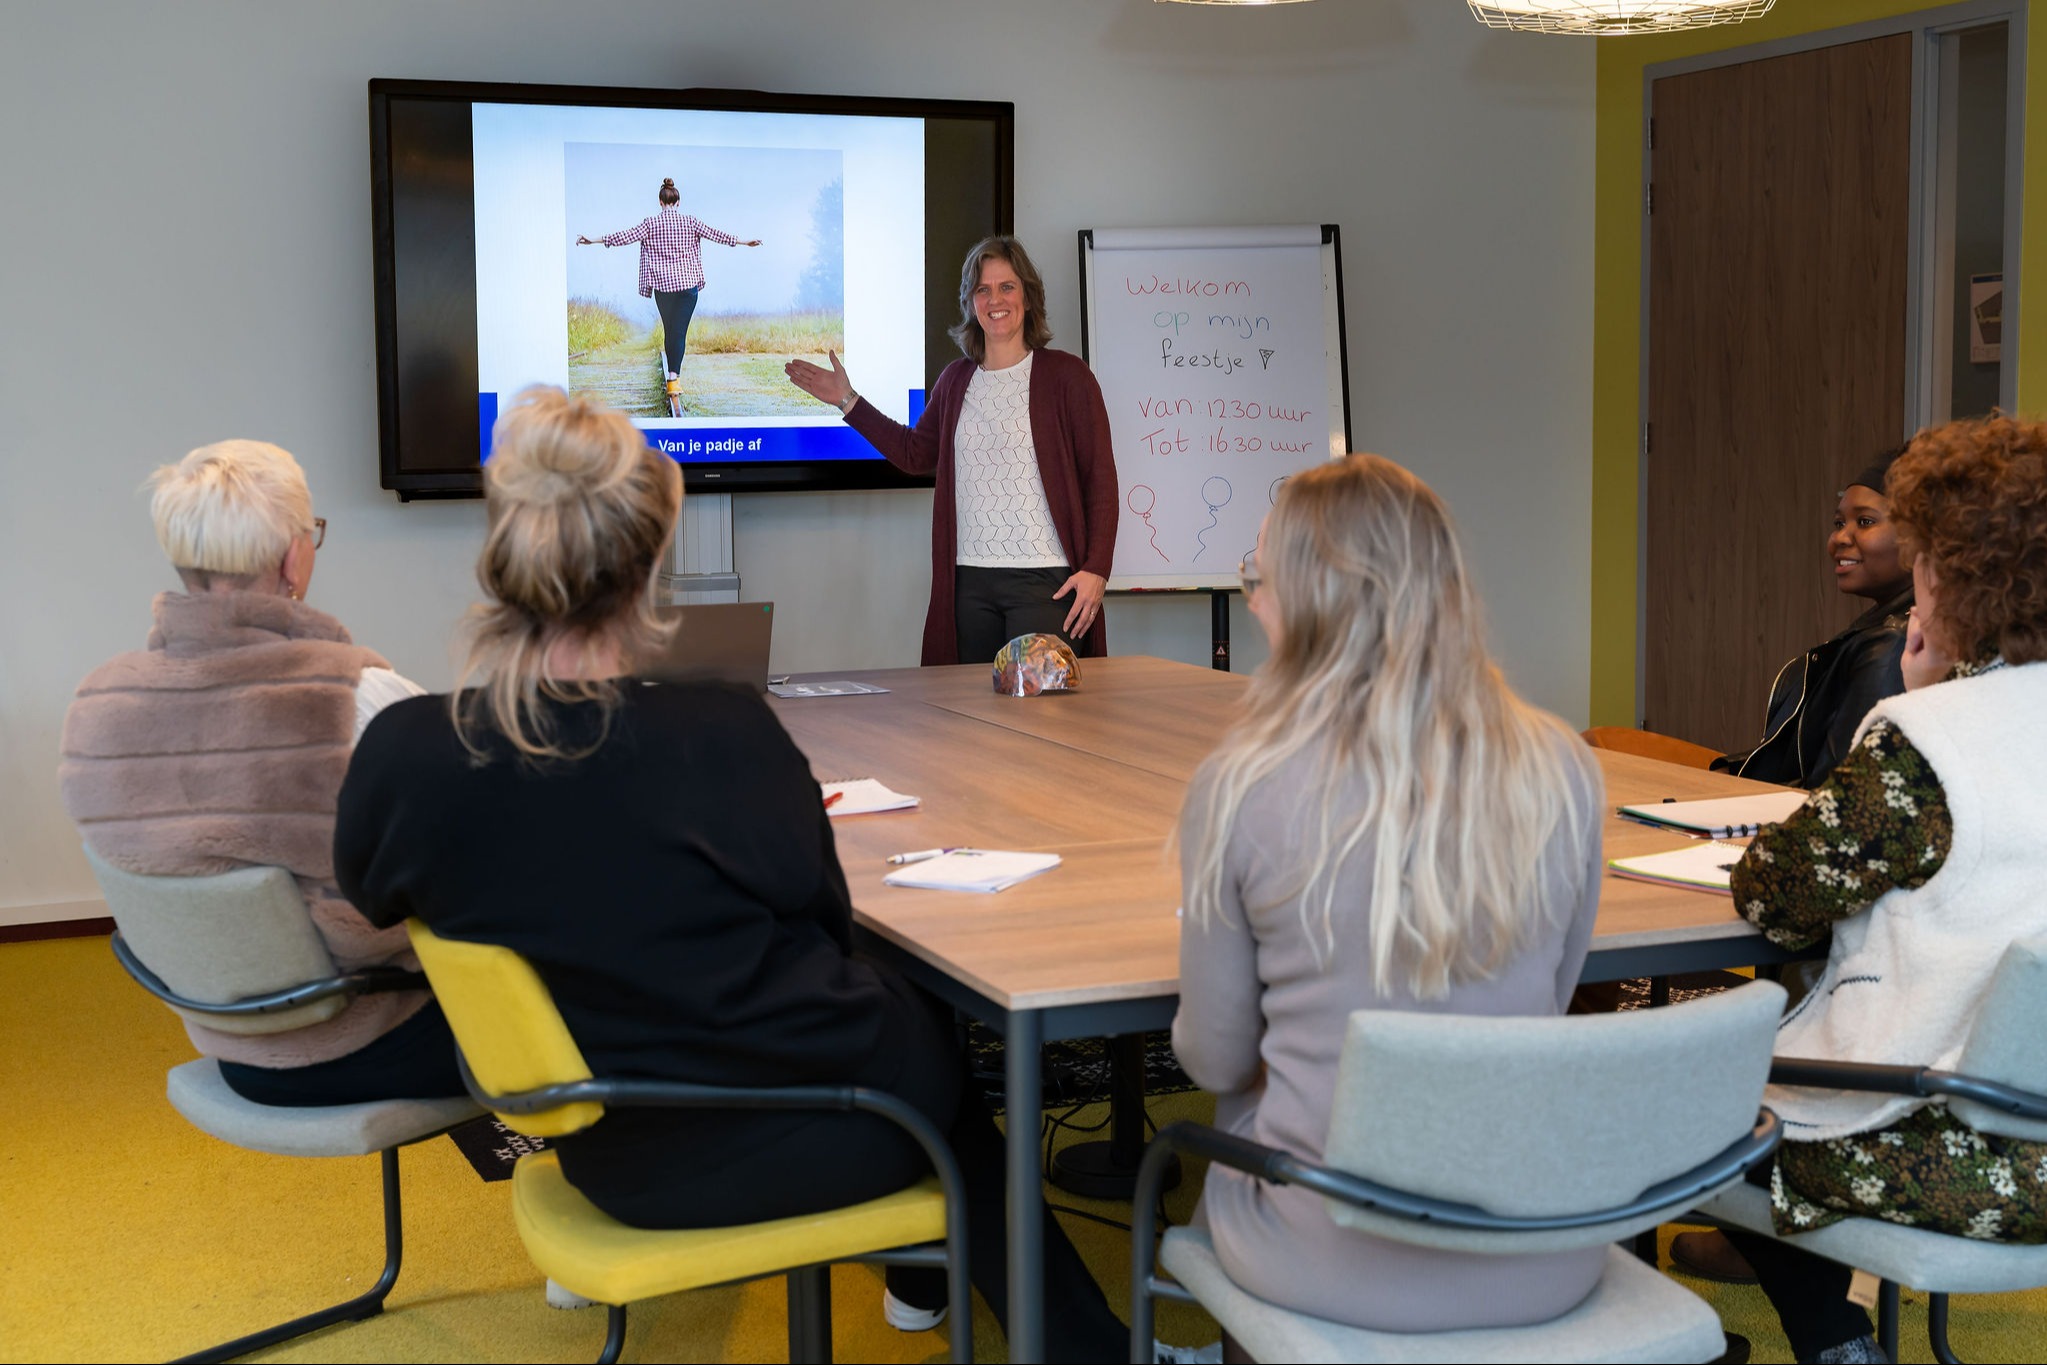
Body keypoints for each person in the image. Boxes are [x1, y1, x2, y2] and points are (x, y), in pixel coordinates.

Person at [331, 386, 1136, 1362]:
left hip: (600, 1151)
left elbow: (377, 907)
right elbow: (824, 919)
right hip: (818, 1122)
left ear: (502, 547)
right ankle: (1054, 1332)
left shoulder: (406, 754)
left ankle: (942, 1284)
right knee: (936, 1040)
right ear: (648, 559)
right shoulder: (723, 730)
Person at [1172, 455, 1609, 1333]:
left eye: (1258, 578)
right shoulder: (1562, 765)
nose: (1252, 602)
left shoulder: (1242, 786)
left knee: (1235, 1104)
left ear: (1311, 595)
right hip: (1546, 1248)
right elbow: (1550, 999)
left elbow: (1214, 1060)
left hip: (1331, 1255)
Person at [1718, 415, 2047, 1365]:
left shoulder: (1928, 740)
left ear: (1950, 576)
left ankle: (1812, 1344)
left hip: (1945, 1141)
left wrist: (1921, 695)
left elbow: (1775, 896)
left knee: (1661, 1091)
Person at [57, 440, 458, 1107]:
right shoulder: (362, 698)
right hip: (378, 1033)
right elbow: (461, 873)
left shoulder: (99, 704)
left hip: (230, 1046)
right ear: (294, 558)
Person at [784, 235, 1119, 664]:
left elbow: (1101, 481)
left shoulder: (1068, 377)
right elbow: (914, 454)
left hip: (1047, 584)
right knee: (966, 722)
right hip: (968, 584)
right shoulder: (955, 380)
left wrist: (1096, 569)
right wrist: (849, 401)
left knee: (1037, 722)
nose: (995, 299)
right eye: (983, 289)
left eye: (1007, 287)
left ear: (1029, 297)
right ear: (971, 303)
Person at [1713, 448, 1915, 788]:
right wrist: (1730, 772)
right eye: (1838, 523)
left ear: (1924, 536)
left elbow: (1836, 795)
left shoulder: (1892, 644)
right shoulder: (1876, 629)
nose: (1838, 538)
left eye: (1864, 522)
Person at [577, 177, 760, 399]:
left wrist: (592, 240)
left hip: (663, 288)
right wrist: (744, 242)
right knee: (679, 332)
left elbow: (622, 237)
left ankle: (673, 379)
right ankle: (674, 379)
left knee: (670, 329)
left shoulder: (650, 224)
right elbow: (717, 235)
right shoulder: (690, 222)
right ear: (678, 202)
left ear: (660, 202)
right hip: (687, 287)